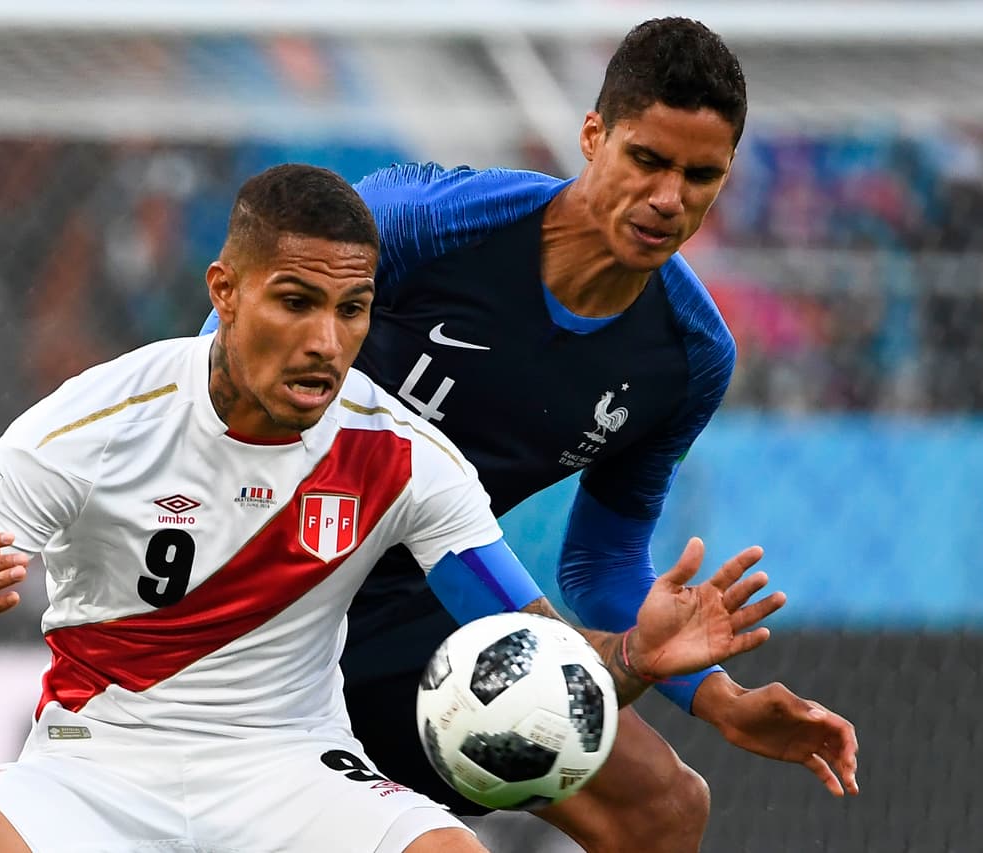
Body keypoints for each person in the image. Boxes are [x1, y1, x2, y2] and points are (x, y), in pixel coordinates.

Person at [0, 163, 785, 853]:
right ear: (225, 292)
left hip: (289, 768)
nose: (326, 342)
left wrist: (632, 658)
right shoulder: (94, 420)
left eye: (353, 310)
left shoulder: (407, 455)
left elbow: (526, 649)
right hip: (97, 766)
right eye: (296, 302)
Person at [271, 17, 859, 853]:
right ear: (592, 136)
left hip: (422, 613)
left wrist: (719, 697)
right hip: (261, 577)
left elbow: (603, 561)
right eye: (647, 160)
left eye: (701, 176)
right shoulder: (428, 224)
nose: (669, 198)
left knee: (662, 805)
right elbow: (243, 344)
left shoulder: (688, 355)